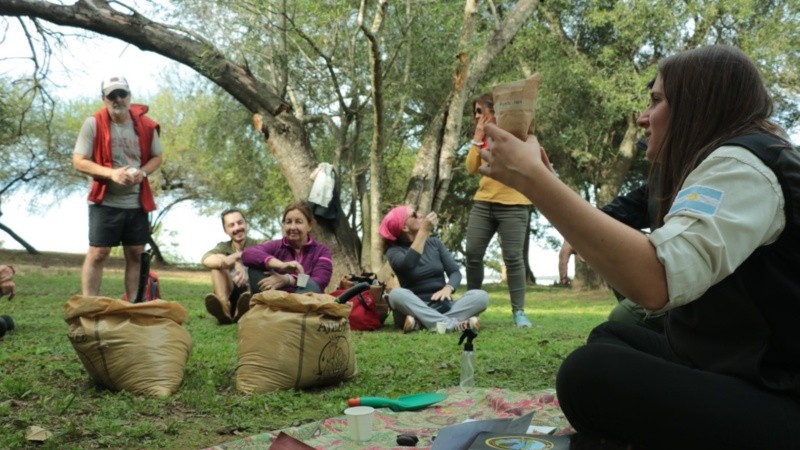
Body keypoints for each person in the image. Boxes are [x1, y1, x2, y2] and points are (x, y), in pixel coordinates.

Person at [479, 45, 800, 449]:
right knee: (613, 335)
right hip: (734, 366)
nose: (641, 117)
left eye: (656, 100)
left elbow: (656, 280)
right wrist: (545, 178)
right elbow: (619, 231)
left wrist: (534, 182)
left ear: (697, 105)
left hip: (780, 396)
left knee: (589, 374)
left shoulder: (745, 168)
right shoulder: (715, 165)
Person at [72, 76, 163, 300]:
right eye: (112, 95)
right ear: (104, 98)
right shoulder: (93, 123)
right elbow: (79, 160)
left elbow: (157, 157)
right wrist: (111, 173)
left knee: (135, 253)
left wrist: (142, 173)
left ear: (129, 96)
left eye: (122, 94)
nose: (118, 99)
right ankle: (89, 305)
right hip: (105, 200)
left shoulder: (147, 125)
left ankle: (133, 304)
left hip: (136, 201)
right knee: (98, 253)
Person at [465, 93, 533, 328]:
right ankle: (471, 309)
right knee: (472, 253)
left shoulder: (515, 135)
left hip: (514, 204)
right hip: (484, 202)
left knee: (513, 258)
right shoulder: (480, 139)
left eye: (479, 111)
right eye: (475, 112)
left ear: (494, 112)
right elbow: (472, 168)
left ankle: (519, 313)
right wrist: (477, 137)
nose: (476, 116)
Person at [379, 205, 488, 333]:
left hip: (443, 306)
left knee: (481, 296)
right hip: (415, 307)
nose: (420, 215)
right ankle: (452, 325)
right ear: (404, 227)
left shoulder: (435, 243)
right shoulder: (394, 251)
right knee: (396, 295)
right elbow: (408, 264)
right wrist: (424, 231)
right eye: (414, 214)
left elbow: (454, 272)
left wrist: (448, 288)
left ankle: (422, 323)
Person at [241, 201, 333, 295]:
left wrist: (288, 279)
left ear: (309, 226)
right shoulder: (276, 246)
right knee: (254, 268)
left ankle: (285, 307)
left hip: (303, 300)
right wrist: (281, 265)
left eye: (298, 222)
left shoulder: (322, 251)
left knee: (312, 286)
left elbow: (320, 281)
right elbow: (247, 254)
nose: (292, 227)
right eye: (288, 222)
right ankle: (271, 304)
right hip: (275, 295)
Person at [201, 208, 261, 324]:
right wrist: (233, 261)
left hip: (251, 292)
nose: (237, 228)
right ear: (226, 230)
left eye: (240, 223)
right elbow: (206, 259)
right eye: (231, 225)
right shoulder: (224, 246)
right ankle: (224, 308)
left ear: (246, 223)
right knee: (216, 267)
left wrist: (241, 258)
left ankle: (245, 308)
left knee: (255, 267)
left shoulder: (259, 244)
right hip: (231, 291)